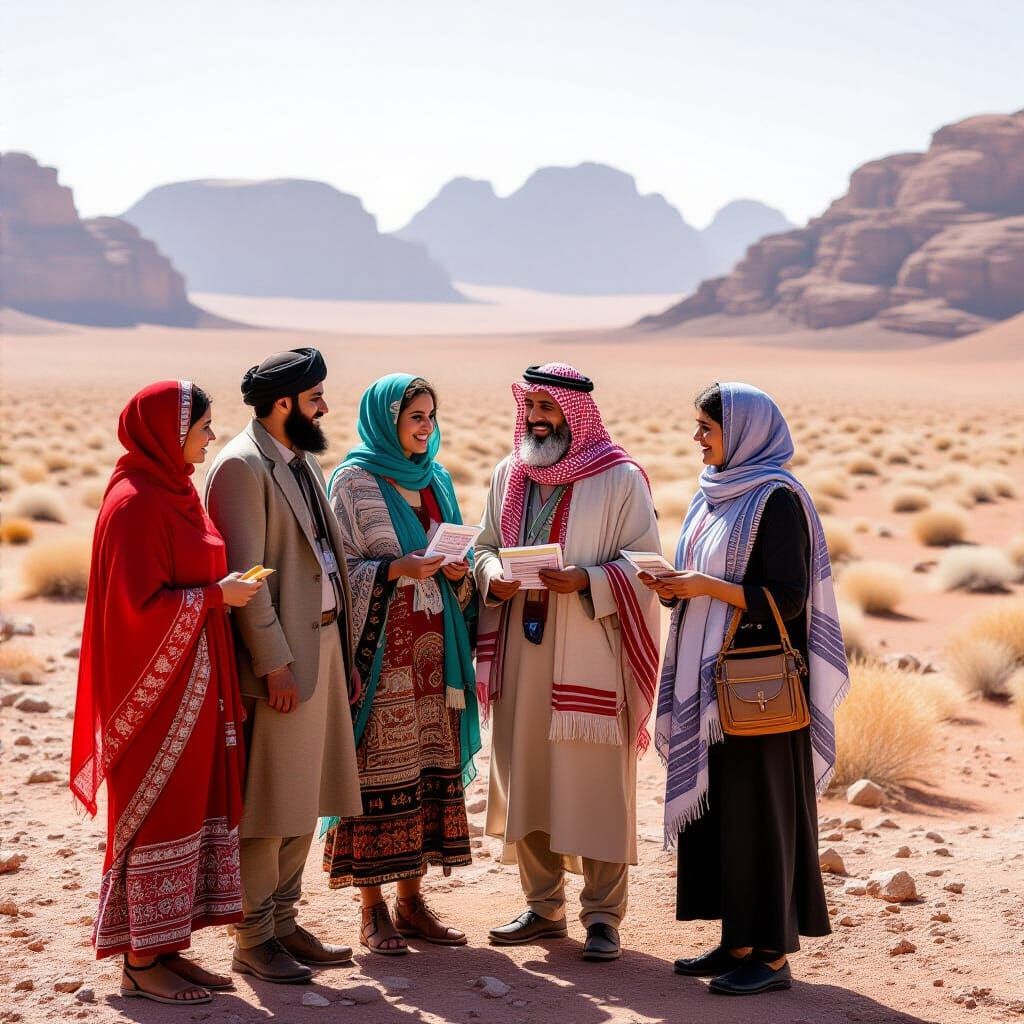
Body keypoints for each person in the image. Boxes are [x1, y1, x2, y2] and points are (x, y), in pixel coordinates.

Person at [646, 382, 849, 996]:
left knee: (760, 814)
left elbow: (788, 598)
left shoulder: (777, 499)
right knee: (723, 814)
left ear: (744, 432)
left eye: (708, 428)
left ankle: (770, 956)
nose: (697, 439)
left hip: (758, 686)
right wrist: (677, 588)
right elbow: (709, 580)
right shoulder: (716, 495)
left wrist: (703, 588)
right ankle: (736, 940)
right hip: (711, 683)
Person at [71, 381, 261, 1005]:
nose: (210, 437)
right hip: (155, 697)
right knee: (159, 812)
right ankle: (139, 959)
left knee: (193, 806)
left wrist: (221, 592)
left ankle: (168, 946)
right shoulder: (135, 505)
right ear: (167, 431)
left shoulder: (177, 493)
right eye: (203, 427)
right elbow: (133, 608)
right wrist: (215, 597)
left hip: (200, 683)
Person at [474, 362, 660, 962]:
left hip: (589, 651)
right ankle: (543, 906)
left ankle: (604, 916)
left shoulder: (620, 478)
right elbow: (482, 548)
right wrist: (491, 576)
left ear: (575, 414)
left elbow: (646, 567)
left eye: (548, 408)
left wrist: (587, 578)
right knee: (526, 774)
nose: (535, 418)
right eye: (529, 407)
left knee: (596, 784)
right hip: (521, 654)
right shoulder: (510, 473)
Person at [204, 347, 363, 985]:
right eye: (315, 395)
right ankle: (253, 936)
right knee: (271, 804)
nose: (324, 406)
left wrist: (343, 654)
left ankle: (286, 921)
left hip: (322, 649)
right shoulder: (242, 468)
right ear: (282, 404)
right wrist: (274, 666)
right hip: (283, 663)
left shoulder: (297, 461)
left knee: (308, 798)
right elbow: (248, 581)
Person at [321, 374, 480, 955]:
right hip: (381, 650)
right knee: (377, 773)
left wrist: (457, 571)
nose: (425, 427)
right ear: (386, 421)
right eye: (415, 417)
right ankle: (373, 909)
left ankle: (413, 903)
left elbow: (453, 552)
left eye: (431, 416)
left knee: (424, 772)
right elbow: (337, 571)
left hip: (437, 655)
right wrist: (395, 571)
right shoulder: (352, 482)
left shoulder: (435, 478)